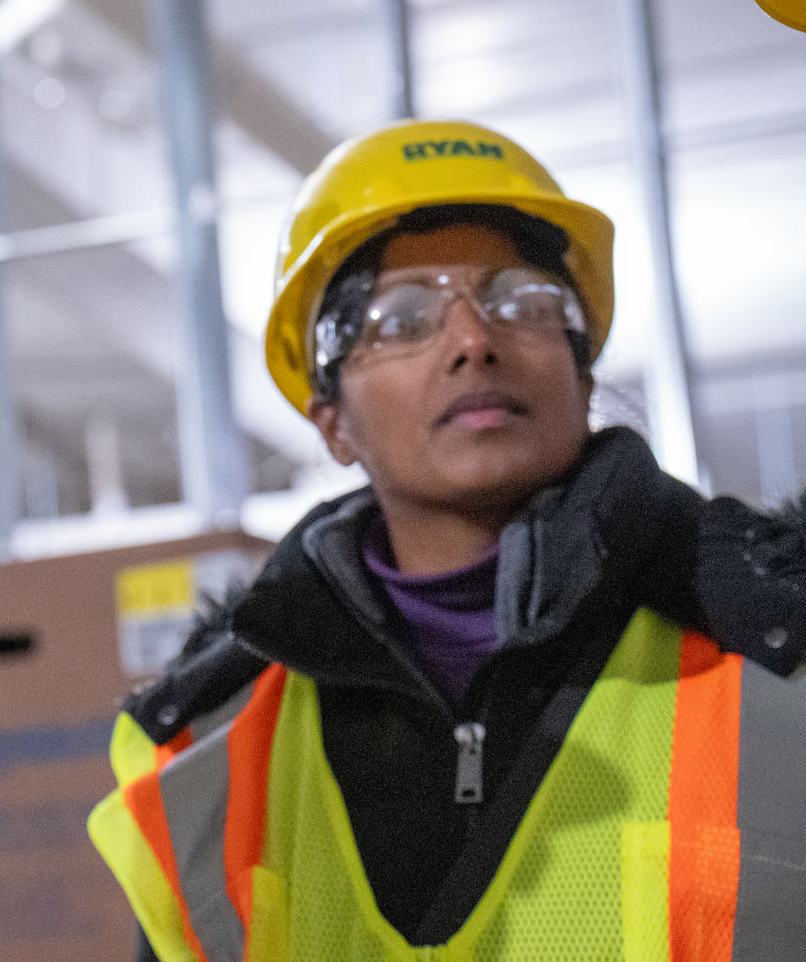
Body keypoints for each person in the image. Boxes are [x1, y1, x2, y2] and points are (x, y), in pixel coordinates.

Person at [89, 119, 806, 960]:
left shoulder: (777, 649)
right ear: (332, 422)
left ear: (581, 372)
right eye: (403, 318)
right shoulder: (208, 745)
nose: (474, 340)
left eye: (522, 302)